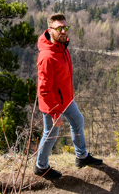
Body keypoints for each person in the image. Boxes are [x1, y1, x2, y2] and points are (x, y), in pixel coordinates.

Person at [34, 13, 103, 179]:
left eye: (65, 27)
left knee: (78, 120)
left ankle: (82, 156)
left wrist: (68, 97)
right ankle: (40, 167)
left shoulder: (61, 47)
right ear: (50, 30)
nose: (64, 31)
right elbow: (44, 90)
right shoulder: (47, 56)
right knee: (51, 134)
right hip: (53, 104)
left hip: (66, 100)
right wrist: (55, 112)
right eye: (59, 28)